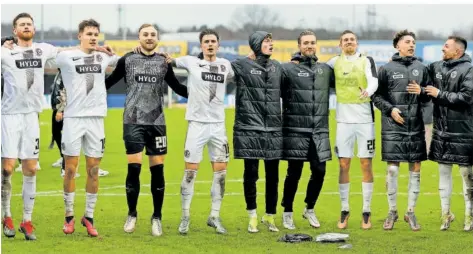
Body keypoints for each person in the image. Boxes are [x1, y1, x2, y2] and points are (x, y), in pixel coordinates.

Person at [0, 13, 110, 240]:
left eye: (29, 24)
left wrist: (96, 48)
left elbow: (69, 52)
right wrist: (2, 41)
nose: (26, 27)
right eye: (22, 24)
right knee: (7, 169)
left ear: (34, 28)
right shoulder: (5, 51)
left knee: (30, 169)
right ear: (14, 30)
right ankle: (6, 215)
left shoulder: (43, 49)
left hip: (32, 116)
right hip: (9, 115)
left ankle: (27, 221)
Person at [105, 24, 188, 236]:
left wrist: (202, 93)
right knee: (134, 169)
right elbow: (109, 82)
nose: (149, 38)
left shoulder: (164, 62)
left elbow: (177, 87)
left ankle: (156, 217)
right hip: (132, 121)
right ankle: (132, 214)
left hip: (157, 122)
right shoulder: (127, 60)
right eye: (145, 34)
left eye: (153, 34)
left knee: (157, 171)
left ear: (157, 38)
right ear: (139, 37)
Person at [158, 29, 233, 234]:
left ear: (218, 44)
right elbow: (168, 61)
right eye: (206, 41)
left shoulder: (226, 65)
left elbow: (237, 74)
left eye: (213, 41)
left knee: (221, 173)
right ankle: (185, 217)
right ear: (201, 45)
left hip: (218, 126)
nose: (210, 44)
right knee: (190, 172)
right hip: (197, 125)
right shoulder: (190, 62)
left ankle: (214, 216)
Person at [55, 19, 119, 237]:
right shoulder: (66, 56)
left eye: (96, 34)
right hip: (73, 119)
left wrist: (112, 51)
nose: (93, 37)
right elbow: (43, 54)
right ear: (79, 35)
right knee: (71, 170)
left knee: (93, 170)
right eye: (89, 34)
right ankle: (69, 216)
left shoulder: (104, 56)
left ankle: (89, 217)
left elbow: (128, 62)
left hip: (96, 121)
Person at [372, 29, 431, 231]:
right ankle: (392, 211)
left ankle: (411, 212)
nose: (411, 44)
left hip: (415, 126)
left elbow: (428, 96)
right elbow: (377, 97)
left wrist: (422, 91)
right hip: (393, 126)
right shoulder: (386, 69)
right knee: (392, 169)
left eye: (413, 41)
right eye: (407, 41)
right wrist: (391, 110)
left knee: (415, 169)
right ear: (398, 45)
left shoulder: (422, 68)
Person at [279, 30, 334, 230]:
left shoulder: (325, 70)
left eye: (312, 42)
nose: (309, 46)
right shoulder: (288, 69)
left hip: (319, 131)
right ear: (299, 46)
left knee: (320, 171)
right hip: (295, 130)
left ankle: (309, 208)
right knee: (294, 173)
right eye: (306, 43)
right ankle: (287, 211)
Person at [325, 30, 378, 229]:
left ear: (357, 43)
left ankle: (366, 211)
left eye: (352, 39)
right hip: (343, 122)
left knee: (366, 165)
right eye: (345, 40)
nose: (349, 42)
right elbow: (318, 69)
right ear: (340, 44)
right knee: (343, 165)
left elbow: (374, 80)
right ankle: (345, 209)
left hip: (365, 121)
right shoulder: (334, 62)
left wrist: (369, 90)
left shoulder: (366, 60)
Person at [232, 31, 283, 233]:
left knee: (273, 177)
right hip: (249, 129)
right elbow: (212, 65)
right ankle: (252, 216)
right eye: (266, 41)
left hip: (273, 130)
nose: (271, 44)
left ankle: (270, 216)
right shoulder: (240, 65)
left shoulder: (277, 67)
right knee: (250, 174)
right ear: (255, 44)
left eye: (272, 40)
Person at [425, 36, 473, 231]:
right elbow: (423, 85)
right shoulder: (436, 67)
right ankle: (446, 214)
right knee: (443, 172)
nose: (442, 48)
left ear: (458, 51)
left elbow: (467, 97)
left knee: (466, 175)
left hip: (463, 132)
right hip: (441, 130)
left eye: (446, 46)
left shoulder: (469, 70)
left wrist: (439, 95)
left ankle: (469, 216)